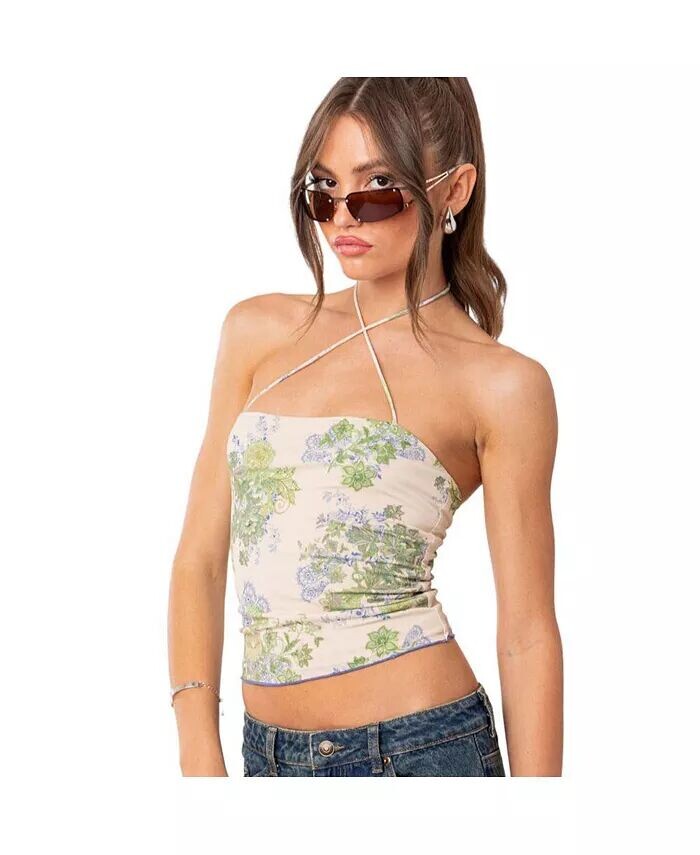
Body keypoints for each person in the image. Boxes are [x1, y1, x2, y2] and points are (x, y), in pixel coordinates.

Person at [168, 77, 563, 777]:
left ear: (454, 189)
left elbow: (527, 634)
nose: (342, 218)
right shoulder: (258, 331)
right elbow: (199, 557)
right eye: (324, 190)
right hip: (267, 756)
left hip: (420, 750)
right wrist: (198, 746)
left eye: (378, 187)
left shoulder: (502, 384)